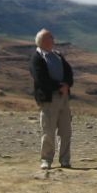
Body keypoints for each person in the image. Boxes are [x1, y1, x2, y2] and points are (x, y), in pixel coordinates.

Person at [29, 28, 73, 169]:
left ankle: (65, 159)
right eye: (50, 38)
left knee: (66, 131)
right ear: (43, 41)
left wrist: (67, 84)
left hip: (64, 98)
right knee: (48, 131)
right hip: (49, 99)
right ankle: (46, 160)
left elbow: (69, 72)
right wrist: (58, 87)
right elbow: (40, 78)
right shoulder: (37, 58)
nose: (53, 40)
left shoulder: (58, 55)